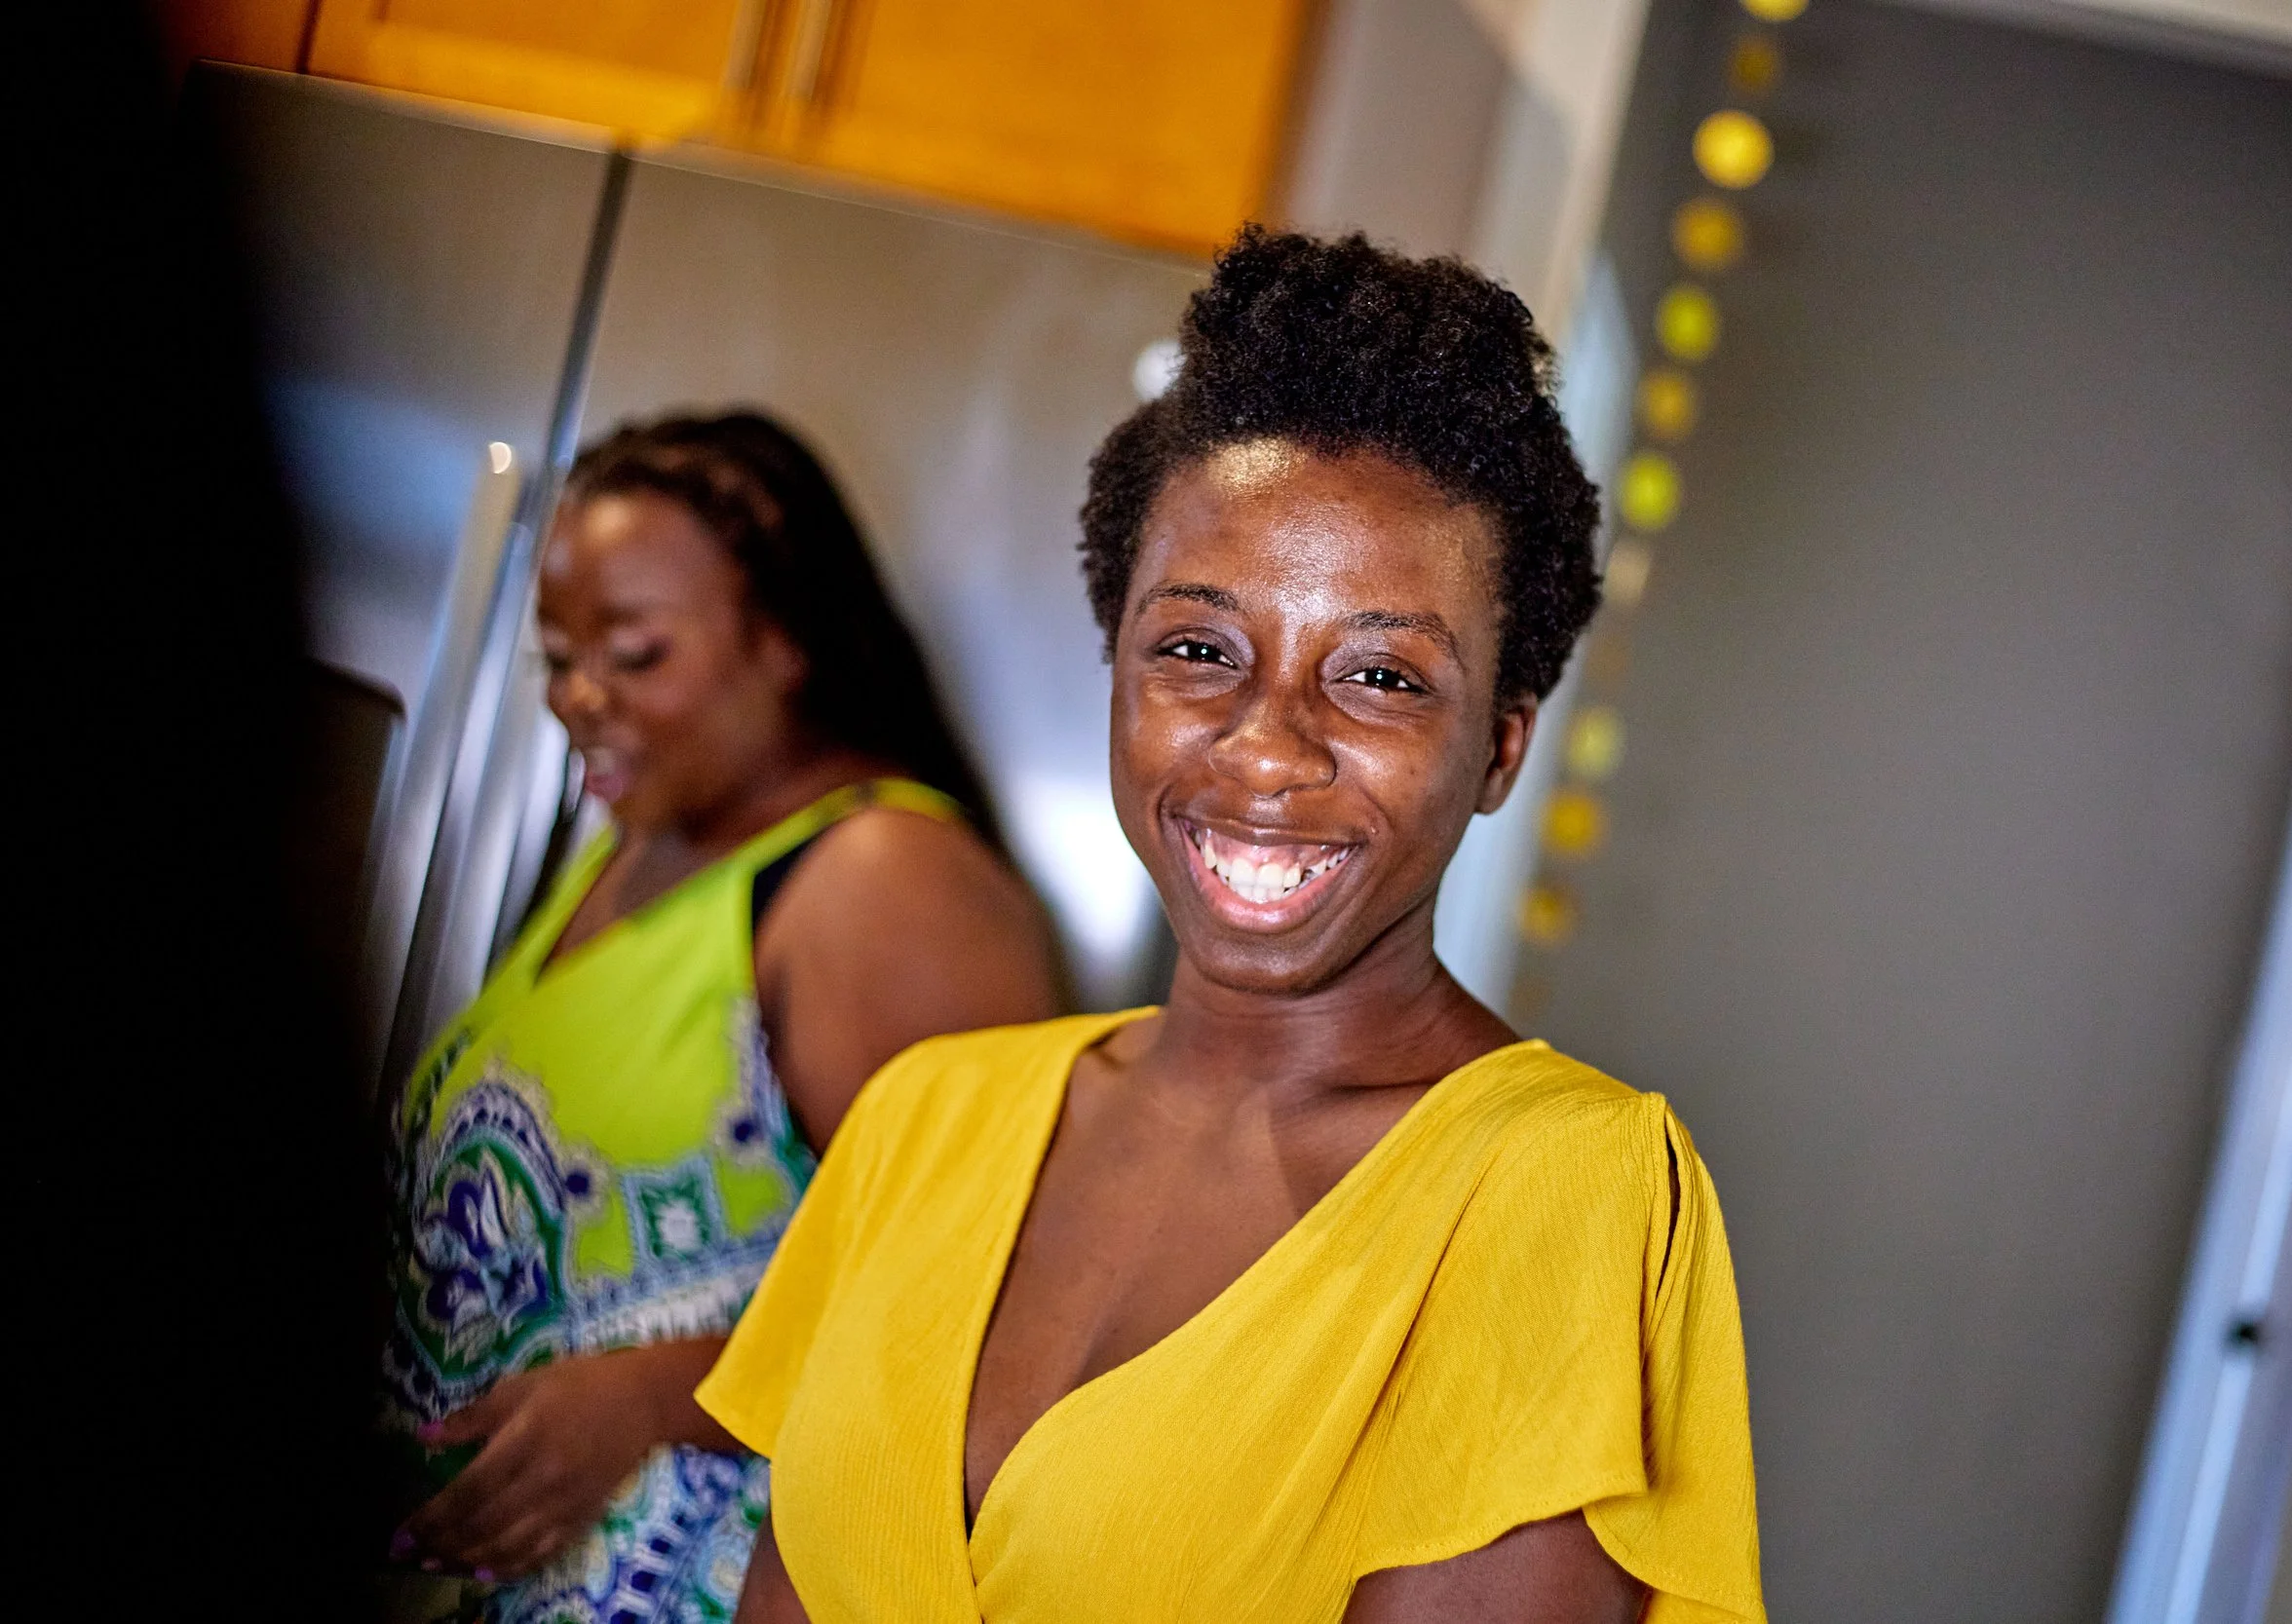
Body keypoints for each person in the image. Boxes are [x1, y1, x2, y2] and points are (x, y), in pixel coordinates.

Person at [703, 231, 1767, 1623]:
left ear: (1500, 749)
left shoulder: (1561, 1191)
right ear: (1118, 663)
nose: (1267, 750)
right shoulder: (928, 1117)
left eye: (1380, 674)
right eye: (1199, 649)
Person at [380, 412, 1064, 1622]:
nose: (581, 698)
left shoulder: (879, 882)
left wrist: (650, 1395)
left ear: (785, 641)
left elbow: (985, 1321)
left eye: (637, 653)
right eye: (557, 657)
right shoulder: (637, 844)